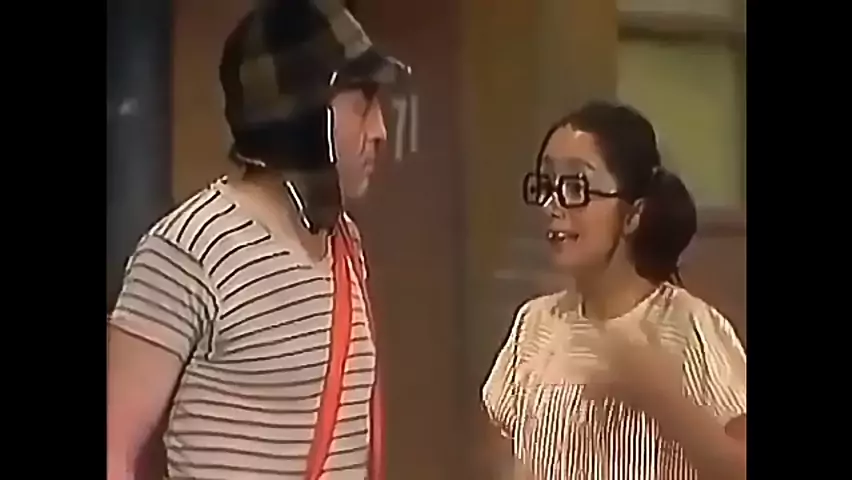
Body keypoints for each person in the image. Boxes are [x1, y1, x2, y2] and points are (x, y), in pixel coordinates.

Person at [106, 1, 410, 479]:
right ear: (306, 114)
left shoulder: (344, 243)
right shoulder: (189, 250)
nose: (380, 131)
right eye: (363, 105)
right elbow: (113, 448)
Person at [481, 101, 746, 480]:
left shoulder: (689, 327)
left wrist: (657, 393)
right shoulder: (533, 323)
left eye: (576, 186)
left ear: (634, 214)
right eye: (547, 185)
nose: (553, 205)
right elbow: (501, 457)